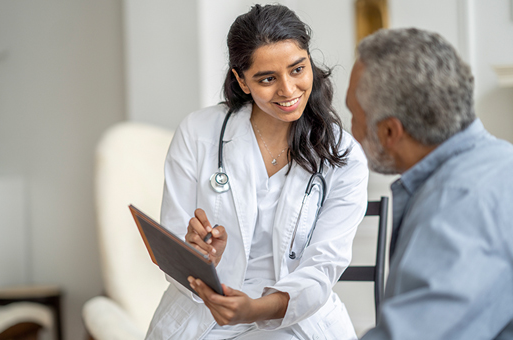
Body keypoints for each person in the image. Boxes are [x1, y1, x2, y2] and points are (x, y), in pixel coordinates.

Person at [146, 4, 368, 340]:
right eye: (267, 79)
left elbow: (322, 268)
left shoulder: (344, 156)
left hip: (292, 319)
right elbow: (174, 248)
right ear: (241, 80)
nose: (288, 90)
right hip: (204, 315)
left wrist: (254, 308)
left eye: (297, 69)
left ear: (309, 60)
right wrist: (201, 258)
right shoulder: (197, 133)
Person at [345, 27, 513, 339]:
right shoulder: (502, 160)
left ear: (389, 133)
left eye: (354, 115)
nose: (350, 132)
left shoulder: (456, 204)